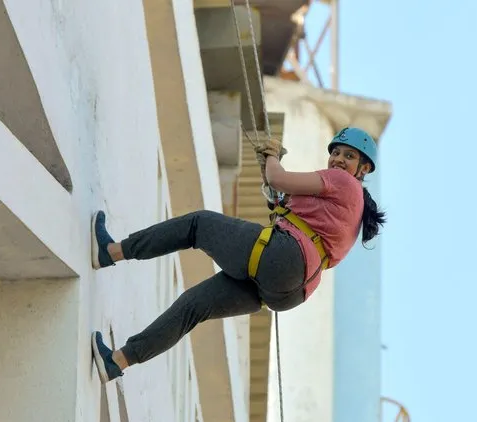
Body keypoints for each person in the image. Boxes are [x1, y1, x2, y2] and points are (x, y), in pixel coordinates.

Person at [90, 127, 386, 384]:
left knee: (198, 225)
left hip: (283, 257)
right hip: (288, 291)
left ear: (363, 169)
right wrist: (274, 183)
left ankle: (111, 252)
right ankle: (117, 362)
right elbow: (282, 200)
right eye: (336, 153)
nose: (338, 160)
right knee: (194, 305)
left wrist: (272, 156)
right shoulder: (353, 212)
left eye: (349, 156)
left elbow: (278, 178)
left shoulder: (343, 183)